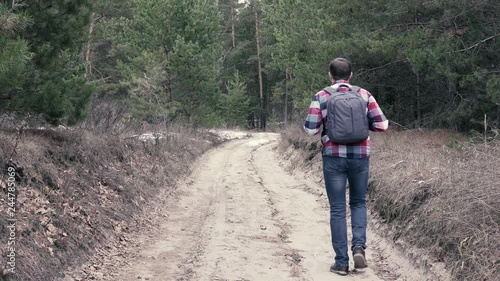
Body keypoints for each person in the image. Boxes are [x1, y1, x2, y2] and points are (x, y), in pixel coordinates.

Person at [303, 58, 388, 275]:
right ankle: (359, 247)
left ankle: (341, 262)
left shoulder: (322, 96)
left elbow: (311, 130)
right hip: (360, 156)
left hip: (333, 157)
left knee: (338, 209)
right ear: (350, 75)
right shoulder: (364, 95)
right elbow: (382, 125)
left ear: (330, 75)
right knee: (359, 203)